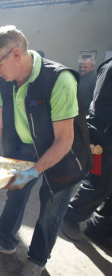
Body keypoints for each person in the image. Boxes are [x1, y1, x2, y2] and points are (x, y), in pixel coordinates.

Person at [0, 25, 91, 276]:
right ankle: (6, 242)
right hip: (25, 147)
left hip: (62, 152)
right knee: (15, 194)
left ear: (15, 53)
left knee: (51, 207)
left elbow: (64, 140)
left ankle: (37, 258)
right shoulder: (5, 81)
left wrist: (34, 171)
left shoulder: (59, 80)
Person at [61, 58, 112, 250]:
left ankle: (100, 228)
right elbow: (100, 106)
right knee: (99, 182)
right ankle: (70, 216)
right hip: (103, 137)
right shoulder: (110, 69)